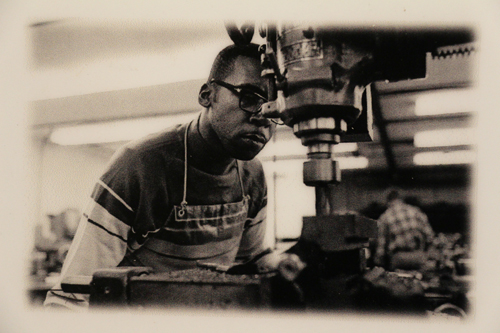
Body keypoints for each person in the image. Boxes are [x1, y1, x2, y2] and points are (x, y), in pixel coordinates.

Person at [44, 43, 277, 310]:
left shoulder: (253, 176)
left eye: (273, 106)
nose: (264, 117)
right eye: (249, 97)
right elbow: (71, 298)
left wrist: (281, 263)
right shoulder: (138, 166)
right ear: (206, 95)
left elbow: (251, 264)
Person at [373, 189, 434, 270]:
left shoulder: (384, 217)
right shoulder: (415, 211)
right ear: (401, 199)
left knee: (399, 280)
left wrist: (378, 261)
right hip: (418, 256)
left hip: (398, 259)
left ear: (387, 201)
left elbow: (381, 246)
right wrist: (426, 253)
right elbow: (430, 236)